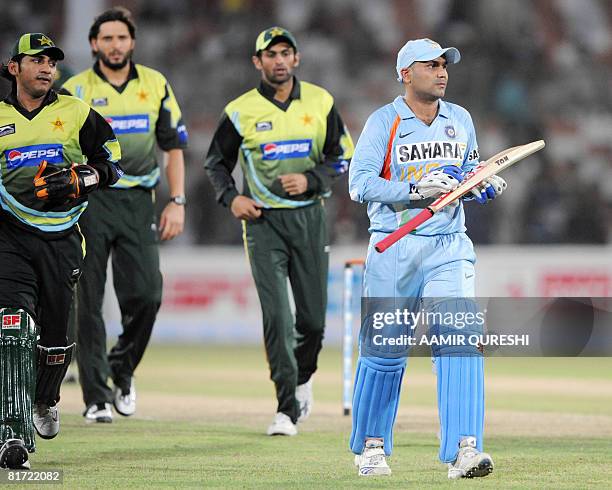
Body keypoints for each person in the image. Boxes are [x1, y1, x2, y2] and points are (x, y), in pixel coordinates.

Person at [348, 38, 506, 478]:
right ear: (405, 73)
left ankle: (465, 450)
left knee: (460, 339)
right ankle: (372, 446)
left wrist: (479, 184)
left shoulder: (461, 119)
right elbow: (359, 185)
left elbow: (469, 171)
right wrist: (417, 191)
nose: (442, 72)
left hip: (449, 244)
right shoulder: (385, 122)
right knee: (384, 350)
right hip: (394, 245)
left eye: (444, 65)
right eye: (431, 65)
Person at [205, 27, 354, 436]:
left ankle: (302, 378)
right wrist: (231, 198)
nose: (279, 60)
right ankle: (286, 408)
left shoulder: (321, 101)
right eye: (270, 54)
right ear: (257, 62)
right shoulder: (240, 110)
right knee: (277, 317)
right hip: (262, 223)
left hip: (309, 219)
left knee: (313, 322)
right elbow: (215, 163)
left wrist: (312, 179)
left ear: (297, 58)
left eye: (286, 52)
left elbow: (342, 155)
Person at [0, 33, 122, 469]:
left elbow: (113, 163)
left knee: (55, 341)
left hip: (63, 237)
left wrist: (83, 178)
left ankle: (46, 399)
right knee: (12, 328)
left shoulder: (77, 111)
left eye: (52, 61)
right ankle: (11, 434)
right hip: (9, 237)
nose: (48, 67)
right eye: (37, 60)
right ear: (14, 68)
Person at [62, 7, 188, 423]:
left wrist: (178, 201)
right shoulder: (75, 88)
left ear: (132, 42)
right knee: (89, 300)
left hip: (138, 202)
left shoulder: (155, 84)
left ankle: (123, 368)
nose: (115, 45)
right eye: (107, 39)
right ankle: (96, 396)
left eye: (122, 38)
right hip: (90, 202)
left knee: (148, 295)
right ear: (94, 44)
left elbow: (172, 148)